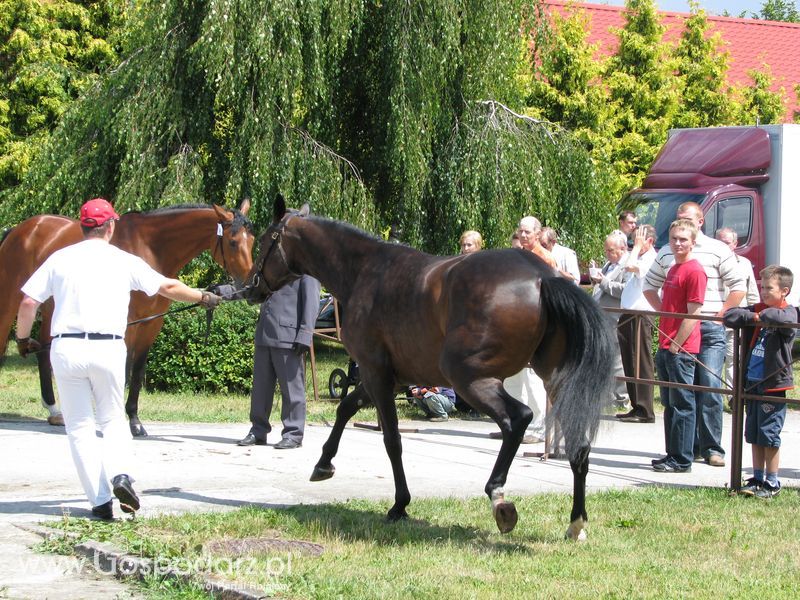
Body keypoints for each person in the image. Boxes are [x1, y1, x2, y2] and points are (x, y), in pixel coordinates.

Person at [14, 198, 221, 520]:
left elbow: (28, 303)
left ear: (83, 227)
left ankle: (99, 502)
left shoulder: (60, 258)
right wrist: (204, 296)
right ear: (111, 226)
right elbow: (166, 286)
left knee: (80, 427)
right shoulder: (125, 260)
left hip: (67, 350)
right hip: (109, 347)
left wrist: (23, 339)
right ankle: (121, 475)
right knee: (112, 420)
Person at [644, 202, 745, 467]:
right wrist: (667, 314)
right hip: (678, 329)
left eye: (687, 219)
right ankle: (684, 449)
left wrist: (721, 313)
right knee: (678, 394)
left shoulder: (717, 249)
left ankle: (711, 448)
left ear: (700, 222)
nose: (681, 226)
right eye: (678, 220)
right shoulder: (668, 253)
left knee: (708, 388)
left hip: (708, 326)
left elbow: (737, 286)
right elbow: (649, 285)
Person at [723, 266, 796, 498]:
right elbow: (731, 316)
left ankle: (772, 482)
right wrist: (754, 315)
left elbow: (781, 317)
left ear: (785, 291)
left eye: (769, 288)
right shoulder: (759, 310)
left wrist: (758, 315)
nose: (763, 292)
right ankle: (757, 477)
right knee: (753, 434)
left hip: (773, 384)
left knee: (769, 434)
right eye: (762, 287)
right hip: (752, 382)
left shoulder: (789, 312)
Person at [644, 219, 707, 473]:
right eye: (674, 239)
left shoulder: (694, 271)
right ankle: (672, 453)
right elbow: (665, 304)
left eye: (683, 239)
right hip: (667, 345)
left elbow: (694, 313)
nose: (678, 243)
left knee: (683, 404)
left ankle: (682, 459)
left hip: (682, 348)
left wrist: (677, 344)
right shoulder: (672, 269)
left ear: (693, 242)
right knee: (670, 404)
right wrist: (665, 329)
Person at [237, 274, 321, 449]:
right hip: (264, 334)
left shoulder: (305, 267)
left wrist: (305, 335)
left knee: (292, 390)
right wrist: (219, 292)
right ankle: (258, 431)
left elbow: (312, 300)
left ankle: (293, 433)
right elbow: (251, 291)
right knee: (260, 390)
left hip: (289, 337)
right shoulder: (271, 266)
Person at [617, 225, 657, 423]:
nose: (635, 244)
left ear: (649, 241)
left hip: (641, 314)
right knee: (629, 361)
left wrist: (636, 247)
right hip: (629, 313)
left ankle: (645, 409)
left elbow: (628, 265)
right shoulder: (640, 257)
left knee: (640, 360)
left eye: (638, 240)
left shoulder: (651, 258)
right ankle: (636, 405)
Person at [715, 227, 761, 387]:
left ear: (735, 244)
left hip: (736, 320)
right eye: (719, 242)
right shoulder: (710, 262)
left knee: (734, 359)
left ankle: (732, 395)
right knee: (712, 362)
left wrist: (755, 316)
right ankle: (712, 395)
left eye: (726, 243)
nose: (722, 245)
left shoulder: (745, 263)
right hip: (714, 319)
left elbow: (752, 292)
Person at [590, 231, 632, 408]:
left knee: (616, 359)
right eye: (606, 250)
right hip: (602, 317)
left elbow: (626, 289)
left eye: (611, 250)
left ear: (622, 249)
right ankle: (606, 396)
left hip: (616, 318)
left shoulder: (628, 265)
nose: (607, 253)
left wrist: (603, 282)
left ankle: (622, 397)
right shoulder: (610, 263)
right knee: (603, 357)